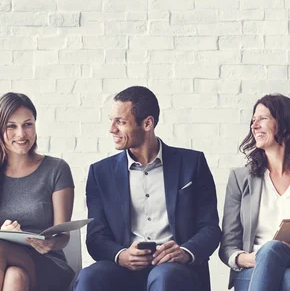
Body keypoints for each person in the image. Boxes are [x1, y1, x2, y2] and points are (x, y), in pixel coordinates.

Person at [74, 86, 221, 291]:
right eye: (112, 120)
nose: (112, 129)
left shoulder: (192, 163)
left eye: (121, 122)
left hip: (175, 269)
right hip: (124, 269)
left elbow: (210, 228)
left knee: (165, 276)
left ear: (147, 123)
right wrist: (122, 255)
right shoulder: (101, 173)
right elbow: (96, 237)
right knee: (89, 278)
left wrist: (185, 252)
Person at [219, 94, 290, 291]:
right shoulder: (240, 179)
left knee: (274, 249)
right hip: (253, 270)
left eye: (262, 119)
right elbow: (228, 246)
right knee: (288, 277)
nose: (254, 126)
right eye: (253, 120)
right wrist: (252, 258)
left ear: (284, 123)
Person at [0, 92, 75, 291]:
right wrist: (2, 235)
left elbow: (63, 235)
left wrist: (49, 243)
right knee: (14, 277)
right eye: (11, 126)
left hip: (47, 263)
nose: (21, 134)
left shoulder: (56, 169)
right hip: (3, 263)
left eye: (27, 124)